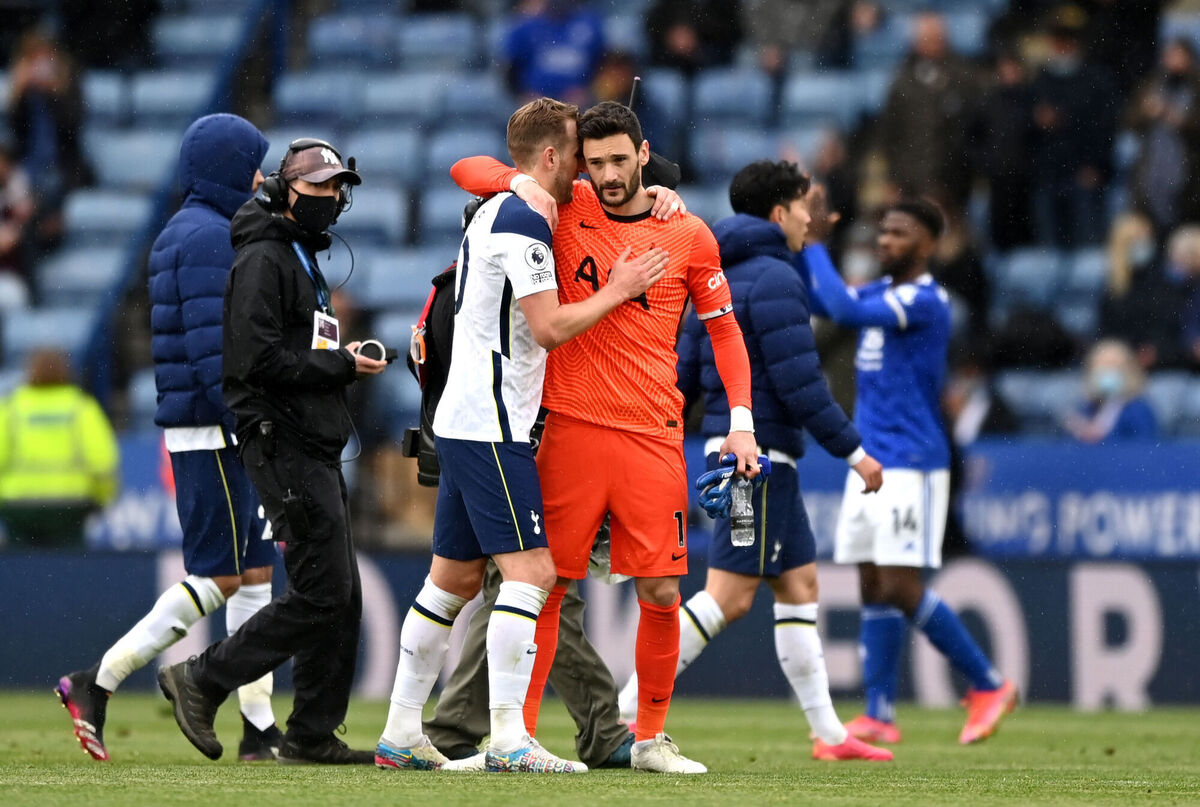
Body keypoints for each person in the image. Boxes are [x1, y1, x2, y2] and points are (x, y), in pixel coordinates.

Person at [450, 100, 759, 774]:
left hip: (652, 436)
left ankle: (649, 737)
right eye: (596, 163)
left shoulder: (689, 233)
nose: (609, 174)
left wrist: (741, 422)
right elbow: (464, 169)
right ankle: (518, 739)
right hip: (572, 429)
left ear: (645, 155)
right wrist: (518, 181)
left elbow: (725, 331)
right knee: (548, 589)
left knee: (660, 593)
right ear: (579, 164)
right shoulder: (563, 206)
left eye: (621, 159)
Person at [375, 97, 667, 774]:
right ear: (549, 157)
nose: (586, 171)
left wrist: (662, 193)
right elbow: (549, 327)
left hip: (463, 416)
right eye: (577, 156)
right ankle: (508, 738)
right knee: (535, 571)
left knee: (450, 580)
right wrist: (620, 287)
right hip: (493, 422)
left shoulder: (504, 206)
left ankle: (398, 733)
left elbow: (485, 169)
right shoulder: (521, 225)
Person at [615, 161, 891, 762]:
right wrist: (856, 452)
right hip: (753, 462)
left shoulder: (709, 275)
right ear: (778, 213)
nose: (807, 219)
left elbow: (681, 375)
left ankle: (829, 735)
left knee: (799, 584)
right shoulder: (776, 278)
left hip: (758, 458)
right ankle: (628, 709)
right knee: (731, 594)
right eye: (800, 207)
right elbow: (801, 385)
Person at [55, 114, 282, 763]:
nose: (260, 176)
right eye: (251, 164)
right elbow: (217, 354)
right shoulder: (208, 237)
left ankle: (259, 727)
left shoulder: (201, 229)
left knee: (257, 574)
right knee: (221, 577)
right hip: (215, 429)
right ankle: (97, 679)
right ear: (227, 169)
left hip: (217, 424)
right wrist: (252, 424)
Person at [157, 137, 388, 765]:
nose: (331, 197)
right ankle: (201, 678)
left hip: (308, 439)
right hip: (281, 441)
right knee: (322, 592)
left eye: (337, 187)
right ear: (285, 190)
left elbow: (284, 350)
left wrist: (337, 362)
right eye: (318, 186)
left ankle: (312, 734)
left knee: (340, 594)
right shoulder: (266, 258)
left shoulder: (292, 253)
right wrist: (338, 364)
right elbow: (254, 361)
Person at [805, 198, 1018, 746]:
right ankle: (879, 712)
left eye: (899, 233)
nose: (884, 241)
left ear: (928, 245)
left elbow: (842, 311)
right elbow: (829, 301)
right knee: (872, 581)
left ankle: (988, 683)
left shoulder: (926, 301)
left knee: (900, 584)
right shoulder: (881, 294)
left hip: (911, 462)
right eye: (882, 232)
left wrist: (813, 243)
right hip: (871, 459)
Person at [0, 348, 118, 547]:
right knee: (68, 569)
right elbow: (103, 463)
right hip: (70, 507)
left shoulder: (12, 408)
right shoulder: (81, 407)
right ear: (67, 372)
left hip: (18, 508)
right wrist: (102, 500)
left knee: (21, 570)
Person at [1064, 339, 1158, 443]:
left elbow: (1144, 447)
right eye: (1102, 365)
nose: (1108, 370)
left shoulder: (1139, 409)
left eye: (1115, 365)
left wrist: (1095, 436)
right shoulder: (1086, 407)